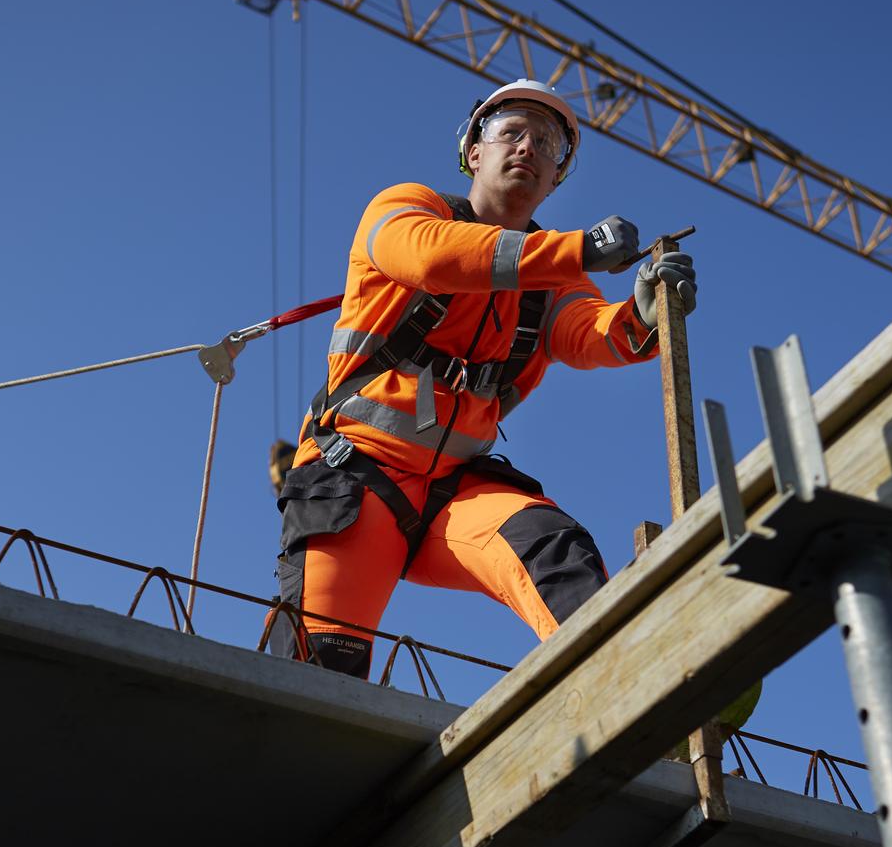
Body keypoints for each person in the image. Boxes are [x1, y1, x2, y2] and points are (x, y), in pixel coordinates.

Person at [271, 79, 697, 680]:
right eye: (511, 132)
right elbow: (431, 258)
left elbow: (590, 331)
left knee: (554, 550)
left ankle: (632, 695)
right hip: (356, 474)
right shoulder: (408, 207)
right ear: (474, 151)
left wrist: (644, 315)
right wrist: (578, 250)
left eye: (547, 142)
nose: (528, 147)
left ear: (557, 177)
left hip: (454, 489)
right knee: (319, 672)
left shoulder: (556, 271)